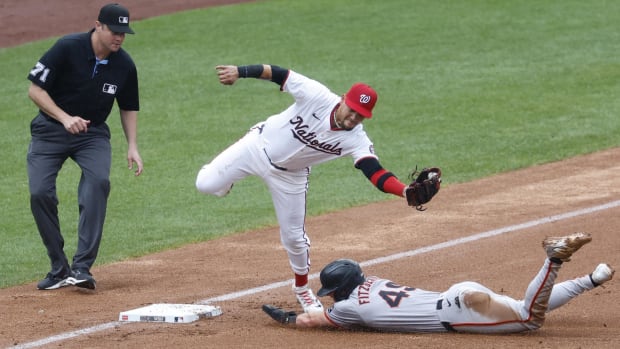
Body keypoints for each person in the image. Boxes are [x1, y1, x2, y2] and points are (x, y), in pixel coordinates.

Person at [196, 64, 435, 313]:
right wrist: (240, 72)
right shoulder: (316, 95)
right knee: (205, 184)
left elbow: (374, 171)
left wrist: (405, 191)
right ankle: (226, 181)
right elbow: (278, 73)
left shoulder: (356, 139)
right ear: (343, 100)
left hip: (291, 178)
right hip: (255, 148)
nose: (354, 118)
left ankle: (301, 289)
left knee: (294, 239)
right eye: (352, 110)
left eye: (361, 115)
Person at [262, 232, 615, 333]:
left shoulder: (350, 307)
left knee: (529, 318)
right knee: (521, 309)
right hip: (462, 292)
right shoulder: (375, 281)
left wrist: (289, 318)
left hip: (461, 311)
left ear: (340, 290)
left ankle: (553, 259)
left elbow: (312, 319)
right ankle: (591, 279)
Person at [27, 3, 143, 291]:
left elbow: (128, 106)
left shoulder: (124, 64)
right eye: (114, 31)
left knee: (98, 182)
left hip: (92, 135)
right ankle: (58, 268)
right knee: (40, 192)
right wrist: (64, 118)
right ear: (98, 26)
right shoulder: (67, 48)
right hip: (49, 131)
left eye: (123, 33)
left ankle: (81, 267)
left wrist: (132, 145)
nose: (119, 38)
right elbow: (35, 89)